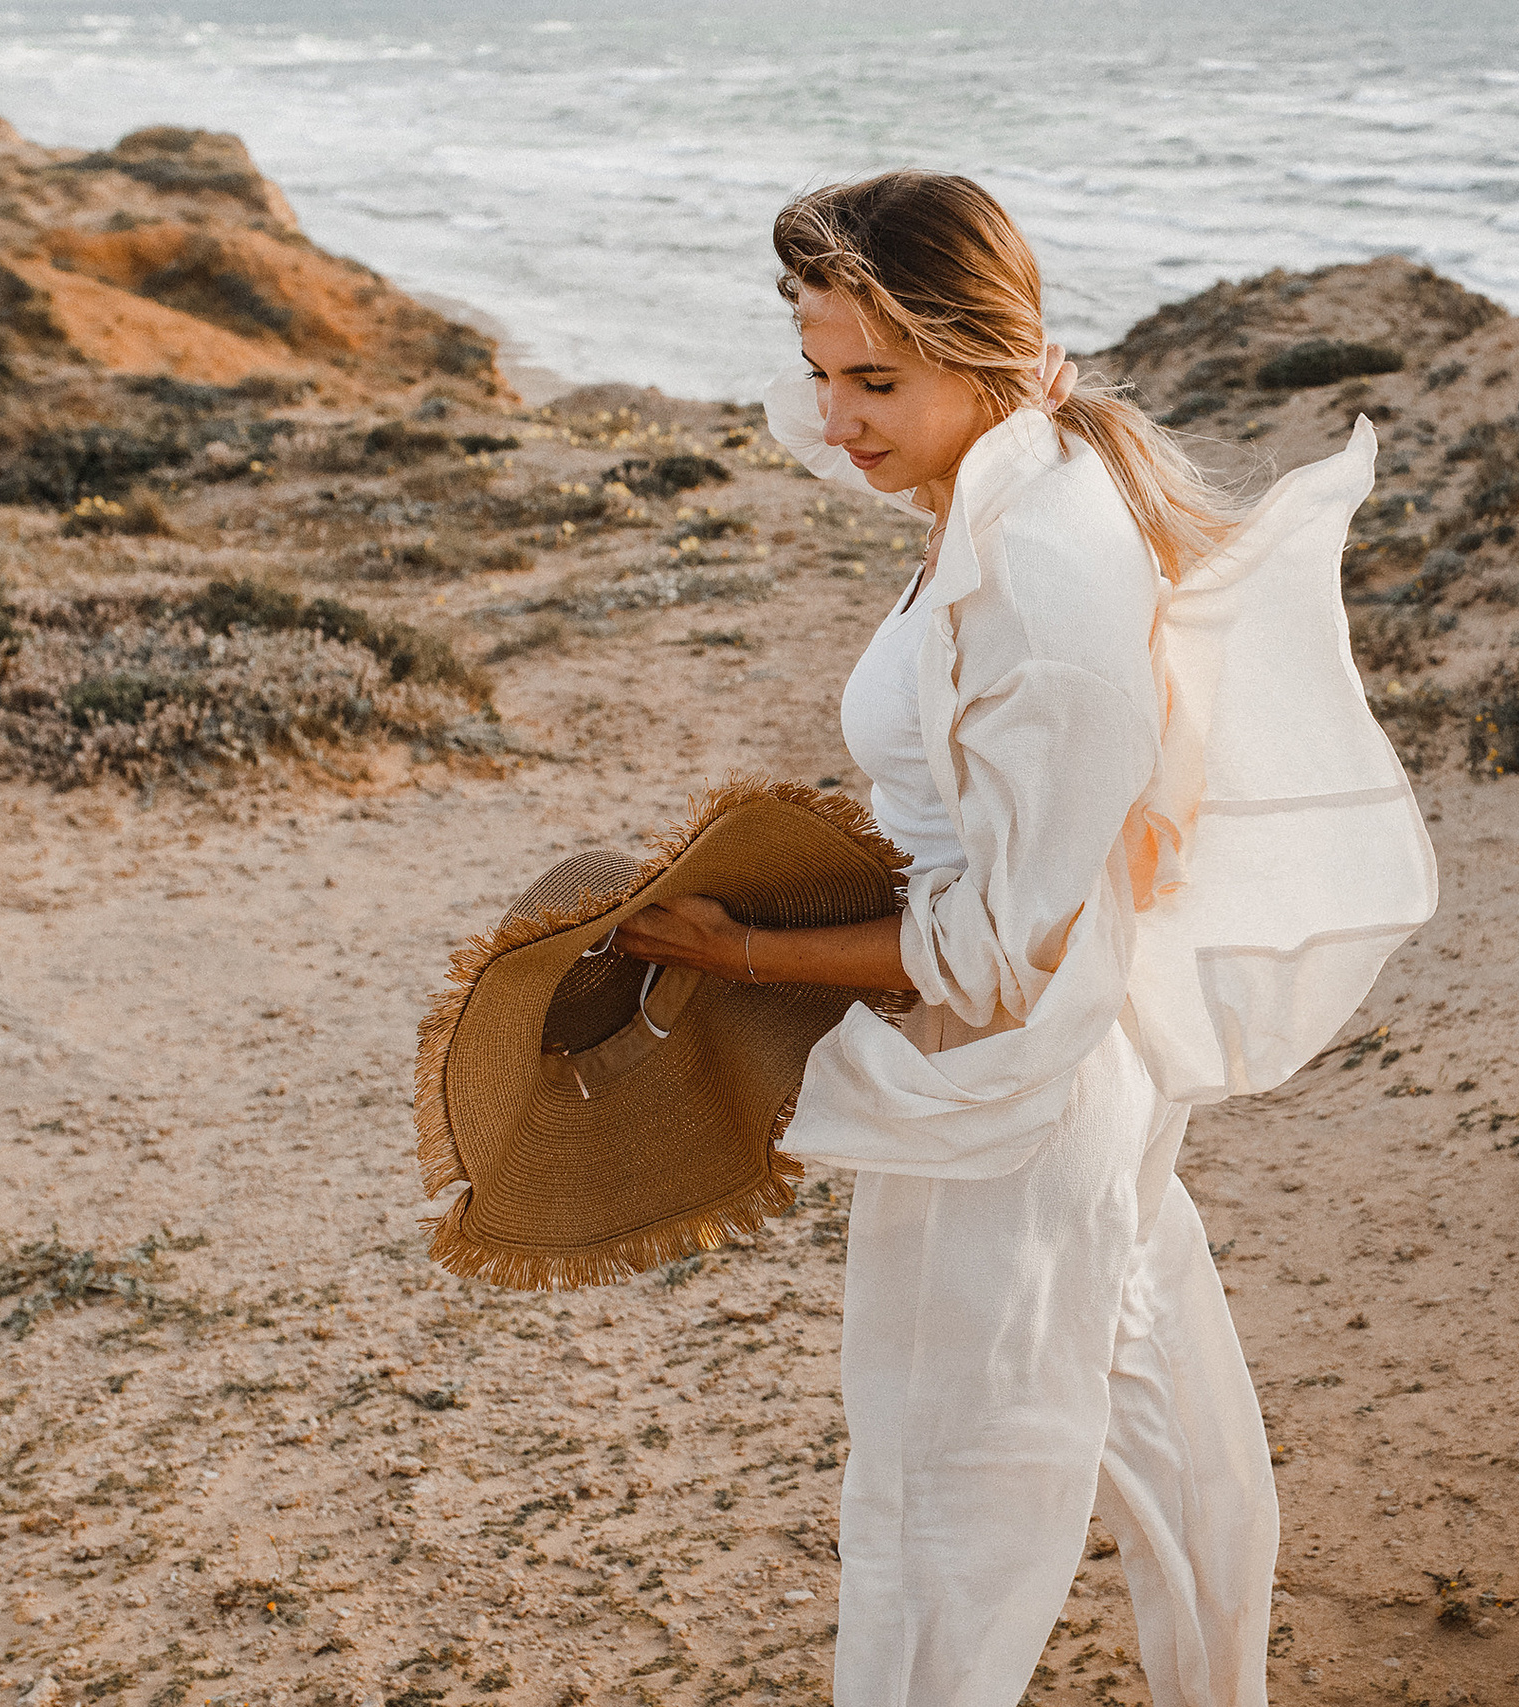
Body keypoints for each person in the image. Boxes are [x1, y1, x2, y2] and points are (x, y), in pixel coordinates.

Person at [613, 171, 1435, 1707]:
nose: (835, 416)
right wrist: (880, 355)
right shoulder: (1009, 470)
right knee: (1170, 1437)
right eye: (817, 368)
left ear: (990, 357)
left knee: (945, 1503)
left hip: (1012, 1096)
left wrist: (745, 960)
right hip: (1069, 1087)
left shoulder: (1041, 566)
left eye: (876, 379)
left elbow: (1011, 949)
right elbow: (865, 419)